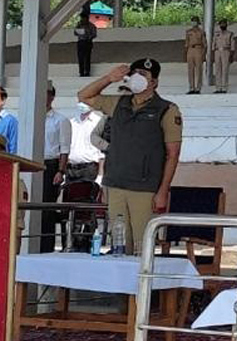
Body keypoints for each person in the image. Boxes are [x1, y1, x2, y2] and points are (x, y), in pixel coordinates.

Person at [78, 58, 182, 255]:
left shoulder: (167, 109)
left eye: (143, 75)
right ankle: (121, 286)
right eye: (134, 74)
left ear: (154, 82)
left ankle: (142, 286)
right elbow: (84, 96)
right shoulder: (119, 103)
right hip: (116, 183)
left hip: (144, 188)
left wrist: (162, 191)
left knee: (142, 246)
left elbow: (173, 154)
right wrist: (109, 78)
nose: (137, 78)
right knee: (119, 245)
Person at [40, 81, 71, 253]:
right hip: (33, 163)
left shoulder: (60, 120)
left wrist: (60, 170)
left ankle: (46, 246)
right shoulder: (32, 117)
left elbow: (64, 148)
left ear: (52, 96)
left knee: (47, 210)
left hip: (50, 165)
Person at [67, 101, 105, 183]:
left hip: (89, 169)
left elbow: (102, 154)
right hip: (71, 169)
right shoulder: (72, 122)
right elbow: (66, 147)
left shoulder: (99, 122)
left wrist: (100, 175)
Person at [184, 16, 207, 94]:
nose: (194, 22)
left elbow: (205, 44)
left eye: (195, 21)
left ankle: (198, 88)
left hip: (198, 49)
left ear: (198, 22)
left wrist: (203, 54)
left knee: (199, 70)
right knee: (190, 70)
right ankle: (191, 87)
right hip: (190, 49)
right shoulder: (188, 32)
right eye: (192, 21)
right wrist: (185, 53)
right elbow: (186, 43)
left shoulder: (201, 32)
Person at [213, 20, 235, 93]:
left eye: (224, 23)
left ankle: (224, 87)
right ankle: (218, 88)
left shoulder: (230, 34)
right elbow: (214, 43)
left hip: (226, 51)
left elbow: (232, 45)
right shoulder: (216, 34)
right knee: (217, 70)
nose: (222, 25)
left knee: (225, 70)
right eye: (221, 23)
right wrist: (213, 53)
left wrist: (231, 55)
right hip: (217, 51)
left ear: (226, 25)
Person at [74, 12, 98, 77]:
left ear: (87, 18)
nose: (82, 19)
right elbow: (75, 33)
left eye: (84, 18)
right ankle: (81, 72)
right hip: (80, 42)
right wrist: (78, 29)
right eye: (82, 18)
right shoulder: (79, 24)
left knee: (87, 57)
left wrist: (88, 36)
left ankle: (87, 71)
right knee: (80, 57)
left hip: (88, 42)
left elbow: (94, 34)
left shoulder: (91, 26)